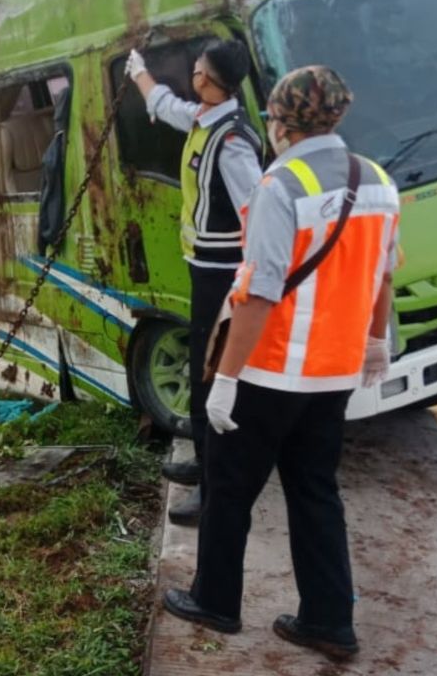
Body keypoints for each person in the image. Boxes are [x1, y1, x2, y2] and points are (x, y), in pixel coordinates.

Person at [162, 66, 400, 662]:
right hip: (335, 373)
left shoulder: (280, 185)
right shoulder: (377, 180)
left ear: (280, 120)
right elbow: (383, 274)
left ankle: (215, 601)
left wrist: (226, 381)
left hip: (269, 371)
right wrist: (376, 341)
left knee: (229, 489)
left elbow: (260, 291)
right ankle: (329, 622)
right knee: (315, 492)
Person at [125, 40, 264, 525]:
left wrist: (248, 281)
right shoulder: (207, 121)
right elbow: (167, 107)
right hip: (205, 267)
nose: (193, 77)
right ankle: (206, 463)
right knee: (201, 364)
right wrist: (139, 73)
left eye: (199, 71)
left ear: (211, 80)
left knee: (209, 373)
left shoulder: (231, 141)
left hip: (225, 273)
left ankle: (217, 489)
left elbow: (257, 213)